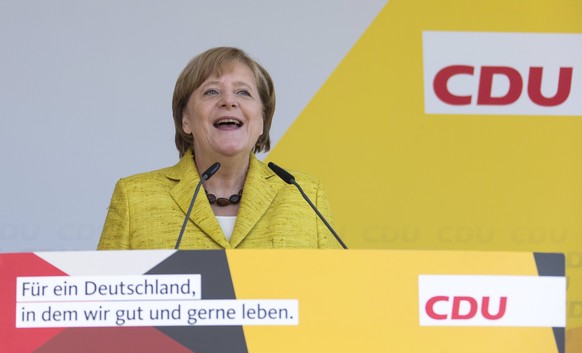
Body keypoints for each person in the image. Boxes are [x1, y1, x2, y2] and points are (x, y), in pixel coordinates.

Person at [97, 47, 341, 249]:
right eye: (211, 91)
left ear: (262, 120)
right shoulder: (134, 197)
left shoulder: (305, 195)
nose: (228, 101)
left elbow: (335, 292)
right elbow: (106, 297)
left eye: (243, 92)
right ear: (186, 119)